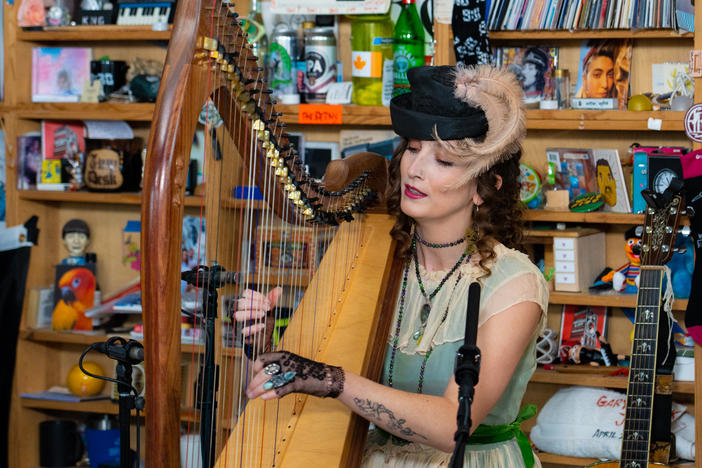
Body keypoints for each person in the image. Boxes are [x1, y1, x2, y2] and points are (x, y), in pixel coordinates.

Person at [236, 64, 549, 467]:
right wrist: (259, 346)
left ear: (484, 188)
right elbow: (298, 379)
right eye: (414, 148)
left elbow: (453, 423)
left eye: (444, 161)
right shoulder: (376, 264)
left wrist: (332, 381)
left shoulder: (514, 285)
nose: (415, 169)